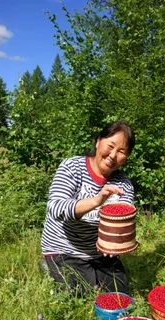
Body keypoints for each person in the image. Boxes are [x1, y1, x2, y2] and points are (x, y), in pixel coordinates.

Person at [40, 121, 135, 295]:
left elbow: (122, 219)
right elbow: (56, 207)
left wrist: (115, 243)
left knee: (119, 293)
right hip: (63, 247)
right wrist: (97, 200)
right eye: (110, 146)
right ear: (98, 142)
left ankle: (92, 274)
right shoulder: (72, 167)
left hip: (100, 252)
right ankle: (48, 264)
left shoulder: (123, 184)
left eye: (121, 151)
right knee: (79, 293)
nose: (113, 155)